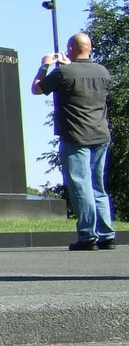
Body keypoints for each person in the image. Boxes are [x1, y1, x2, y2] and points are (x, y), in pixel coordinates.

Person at [32, 31, 116, 250]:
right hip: (100, 134)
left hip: (75, 135)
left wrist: (45, 65)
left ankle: (88, 236)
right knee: (98, 186)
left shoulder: (64, 73)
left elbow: (37, 89)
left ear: (70, 49)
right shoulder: (103, 72)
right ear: (90, 48)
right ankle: (106, 234)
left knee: (81, 185)